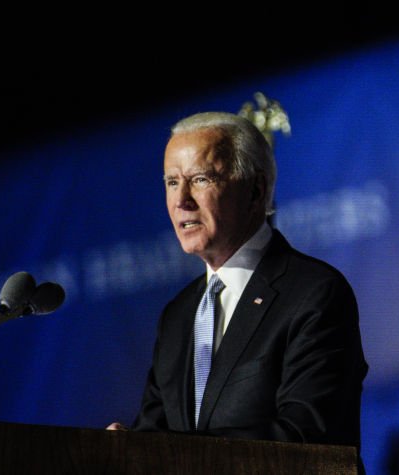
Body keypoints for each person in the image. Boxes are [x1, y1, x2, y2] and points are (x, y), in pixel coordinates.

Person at [107, 111, 367, 448]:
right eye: (172, 182)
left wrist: (174, 451)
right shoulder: (178, 315)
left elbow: (307, 434)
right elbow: (156, 435)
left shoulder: (314, 293)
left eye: (200, 179)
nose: (181, 200)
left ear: (256, 190)